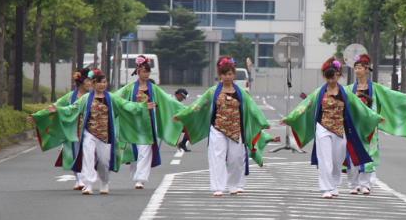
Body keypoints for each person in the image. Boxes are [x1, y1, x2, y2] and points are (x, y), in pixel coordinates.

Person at [31, 69, 154, 195]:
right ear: (94, 84)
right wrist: (57, 110)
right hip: (89, 133)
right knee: (88, 157)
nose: (102, 85)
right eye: (99, 82)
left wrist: (142, 106)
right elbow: (72, 108)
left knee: (103, 161)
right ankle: (88, 184)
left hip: (106, 135)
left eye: (104, 82)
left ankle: (104, 182)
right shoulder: (85, 98)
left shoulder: (111, 98)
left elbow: (126, 105)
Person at [282, 56, 382, 199]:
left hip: (340, 131)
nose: (330, 81)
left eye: (333, 77)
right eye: (328, 78)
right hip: (323, 128)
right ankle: (326, 188)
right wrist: (290, 118)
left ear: (339, 75)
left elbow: (360, 107)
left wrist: (375, 117)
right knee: (325, 160)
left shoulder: (346, 92)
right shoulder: (320, 92)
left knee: (337, 160)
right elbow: (306, 104)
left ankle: (334, 185)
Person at [174, 56, 274, 197]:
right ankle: (218, 187)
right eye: (224, 74)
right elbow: (197, 105)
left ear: (233, 75)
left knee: (236, 158)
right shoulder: (212, 91)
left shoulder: (241, 93)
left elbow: (253, 108)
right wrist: (183, 115)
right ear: (220, 75)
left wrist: (263, 121)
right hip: (217, 128)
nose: (227, 77)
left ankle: (233, 185)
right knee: (217, 157)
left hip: (236, 129)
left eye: (230, 74)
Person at [348, 53, 406, 194]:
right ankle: (354, 184)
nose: (357, 70)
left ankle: (365, 184)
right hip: (354, 126)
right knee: (353, 154)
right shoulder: (349, 89)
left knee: (369, 154)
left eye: (359, 67)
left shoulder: (376, 88)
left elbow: (394, 96)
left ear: (366, 69)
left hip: (370, 127)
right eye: (356, 68)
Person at [113, 55, 185, 189]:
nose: (146, 74)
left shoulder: (154, 88)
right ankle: (137, 174)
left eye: (148, 71)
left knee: (145, 151)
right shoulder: (129, 88)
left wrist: (186, 110)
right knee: (135, 152)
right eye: (144, 71)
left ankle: (140, 179)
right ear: (138, 71)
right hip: (132, 124)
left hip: (148, 124)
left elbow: (169, 101)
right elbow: (115, 98)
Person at [30, 66, 93, 190]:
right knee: (73, 154)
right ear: (80, 82)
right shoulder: (70, 97)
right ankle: (79, 179)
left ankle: (84, 178)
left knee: (88, 154)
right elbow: (54, 107)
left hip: (90, 129)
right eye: (88, 81)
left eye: (91, 81)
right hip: (72, 130)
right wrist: (37, 116)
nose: (90, 83)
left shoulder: (93, 96)